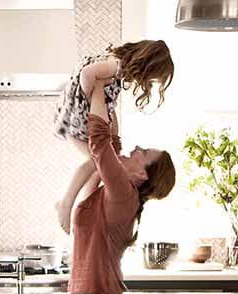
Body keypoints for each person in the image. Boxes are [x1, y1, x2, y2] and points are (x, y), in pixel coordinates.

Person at [66, 82, 176, 294]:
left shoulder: (124, 194)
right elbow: (109, 148)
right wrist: (108, 95)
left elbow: (100, 143)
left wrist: (98, 84)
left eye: (142, 152)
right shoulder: (115, 192)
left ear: (142, 175)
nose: (135, 148)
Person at [54, 40, 174, 233]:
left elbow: (106, 98)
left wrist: (106, 115)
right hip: (76, 118)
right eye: (152, 78)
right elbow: (86, 74)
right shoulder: (115, 67)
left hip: (76, 116)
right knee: (96, 162)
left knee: (98, 167)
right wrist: (89, 99)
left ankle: (81, 209)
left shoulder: (118, 70)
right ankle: (66, 203)